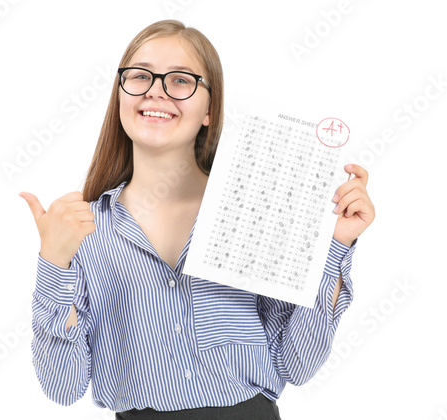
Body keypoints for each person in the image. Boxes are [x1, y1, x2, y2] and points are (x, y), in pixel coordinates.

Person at [19, 19, 375, 420]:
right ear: (120, 94)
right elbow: (63, 388)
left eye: (181, 80)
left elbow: (296, 363)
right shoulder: (82, 230)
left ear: (210, 109)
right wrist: (54, 263)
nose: (156, 89)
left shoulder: (253, 209)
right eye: (139, 76)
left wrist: (335, 246)